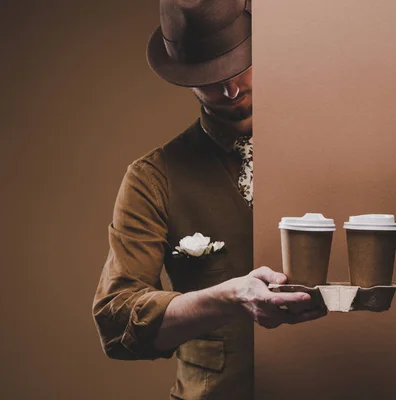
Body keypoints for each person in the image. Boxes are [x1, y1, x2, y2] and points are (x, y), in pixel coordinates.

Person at [92, 1, 327, 399]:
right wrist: (225, 298)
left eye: (239, 67)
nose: (230, 89)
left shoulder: (331, 145)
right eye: (209, 77)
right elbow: (117, 321)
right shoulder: (152, 177)